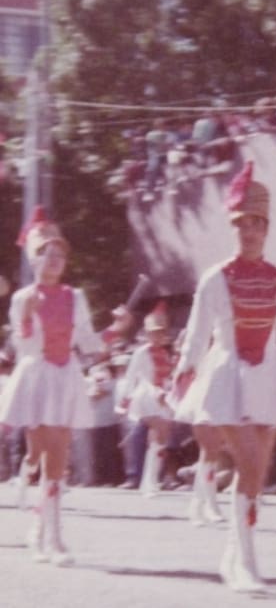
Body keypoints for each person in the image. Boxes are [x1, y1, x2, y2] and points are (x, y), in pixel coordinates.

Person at [170, 163, 276, 593]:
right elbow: (196, 333)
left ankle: (235, 551)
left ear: (266, 228)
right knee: (248, 462)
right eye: (241, 224)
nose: (248, 232)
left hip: (267, 376)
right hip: (227, 374)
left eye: (256, 224)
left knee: (257, 475)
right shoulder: (215, 277)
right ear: (233, 229)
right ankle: (246, 560)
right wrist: (185, 368)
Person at [0, 211, 132, 564]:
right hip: (37, 378)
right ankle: (39, 528)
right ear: (34, 257)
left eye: (60, 254)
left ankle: (53, 536)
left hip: (64, 378)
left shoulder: (75, 296)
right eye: (47, 252)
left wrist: (116, 329)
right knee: (40, 455)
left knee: (58, 460)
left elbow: (88, 343)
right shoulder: (22, 297)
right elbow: (24, 347)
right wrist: (27, 317)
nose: (55, 260)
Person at [117, 301, 177, 496]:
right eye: (154, 332)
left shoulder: (168, 353)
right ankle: (149, 481)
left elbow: (169, 376)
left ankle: (150, 480)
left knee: (161, 438)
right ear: (147, 333)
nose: (158, 336)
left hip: (163, 397)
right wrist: (125, 399)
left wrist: (168, 392)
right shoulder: (141, 352)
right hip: (147, 395)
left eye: (161, 332)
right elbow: (133, 376)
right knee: (158, 430)